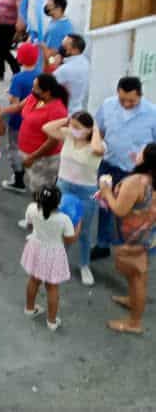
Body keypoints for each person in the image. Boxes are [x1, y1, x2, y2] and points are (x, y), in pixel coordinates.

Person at [91, 77, 156, 262]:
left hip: (135, 173)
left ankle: (128, 248)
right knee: (104, 206)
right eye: (122, 100)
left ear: (140, 96)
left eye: (132, 101)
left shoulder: (152, 113)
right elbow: (100, 130)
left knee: (129, 213)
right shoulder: (108, 105)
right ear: (117, 92)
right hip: (109, 165)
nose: (126, 104)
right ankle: (103, 243)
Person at [96, 142, 156, 335]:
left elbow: (120, 209)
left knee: (135, 276)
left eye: (141, 152)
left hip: (133, 236)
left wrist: (106, 191)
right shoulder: (150, 180)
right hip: (148, 232)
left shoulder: (137, 182)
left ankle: (134, 322)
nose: (137, 152)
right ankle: (133, 300)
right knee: (139, 272)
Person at [44, 112, 105, 286]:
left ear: (89, 130)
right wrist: (67, 120)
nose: (73, 129)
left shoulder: (98, 144)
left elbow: (97, 150)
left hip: (86, 191)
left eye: (78, 127)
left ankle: (84, 265)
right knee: (62, 227)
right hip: (64, 186)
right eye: (73, 126)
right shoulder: (68, 136)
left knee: (83, 231)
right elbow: (47, 128)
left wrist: (95, 129)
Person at [21, 184, 77, 332]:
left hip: (36, 247)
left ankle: (29, 308)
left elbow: (29, 225)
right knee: (52, 287)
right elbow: (70, 239)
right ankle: (52, 321)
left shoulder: (32, 209)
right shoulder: (64, 219)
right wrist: (79, 226)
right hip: (54, 253)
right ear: (58, 203)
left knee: (34, 279)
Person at [16, 73, 69, 202]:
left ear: (47, 92)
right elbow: (18, 107)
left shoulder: (57, 110)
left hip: (43, 159)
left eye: (36, 88)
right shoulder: (36, 99)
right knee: (35, 187)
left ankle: (38, 219)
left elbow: (53, 141)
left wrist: (32, 157)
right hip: (31, 155)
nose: (32, 90)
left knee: (41, 192)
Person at [0, 42, 40, 194]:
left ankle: (18, 179)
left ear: (20, 59)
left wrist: (9, 94)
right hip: (36, 120)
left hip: (18, 120)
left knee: (15, 148)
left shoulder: (18, 78)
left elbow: (15, 102)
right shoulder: (41, 75)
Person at [53, 33, 90, 114]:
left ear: (75, 50)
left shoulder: (65, 69)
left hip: (64, 111)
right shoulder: (84, 61)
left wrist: (54, 65)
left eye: (65, 46)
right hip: (78, 107)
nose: (61, 48)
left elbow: (46, 83)